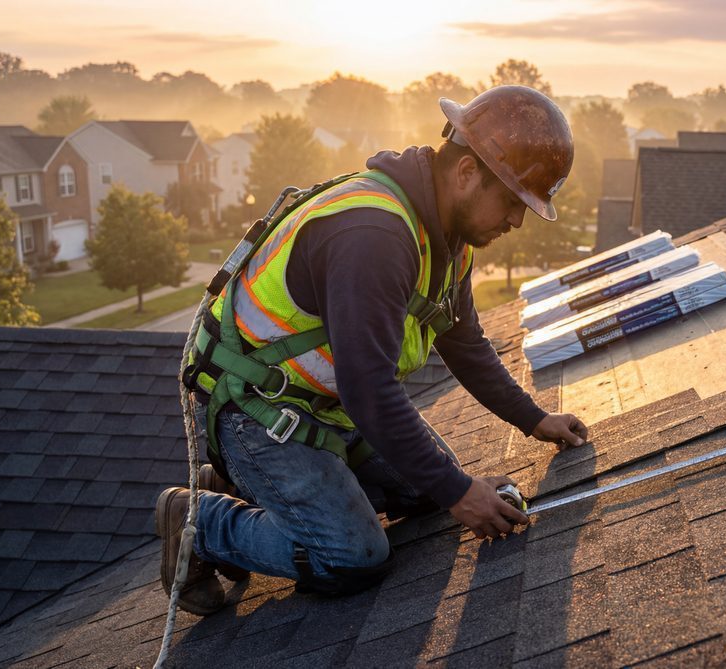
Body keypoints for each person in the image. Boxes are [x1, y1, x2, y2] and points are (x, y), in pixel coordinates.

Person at [156, 85, 589, 615]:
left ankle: (254, 486)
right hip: (256, 408)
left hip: (324, 403)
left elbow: (463, 341)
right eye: (513, 201)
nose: (517, 221)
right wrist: (461, 492)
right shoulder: (374, 234)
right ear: (466, 172)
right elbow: (368, 389)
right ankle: (199, 524)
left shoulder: (447, 238)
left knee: (429, 489)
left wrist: (534, 419)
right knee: (352, 555)